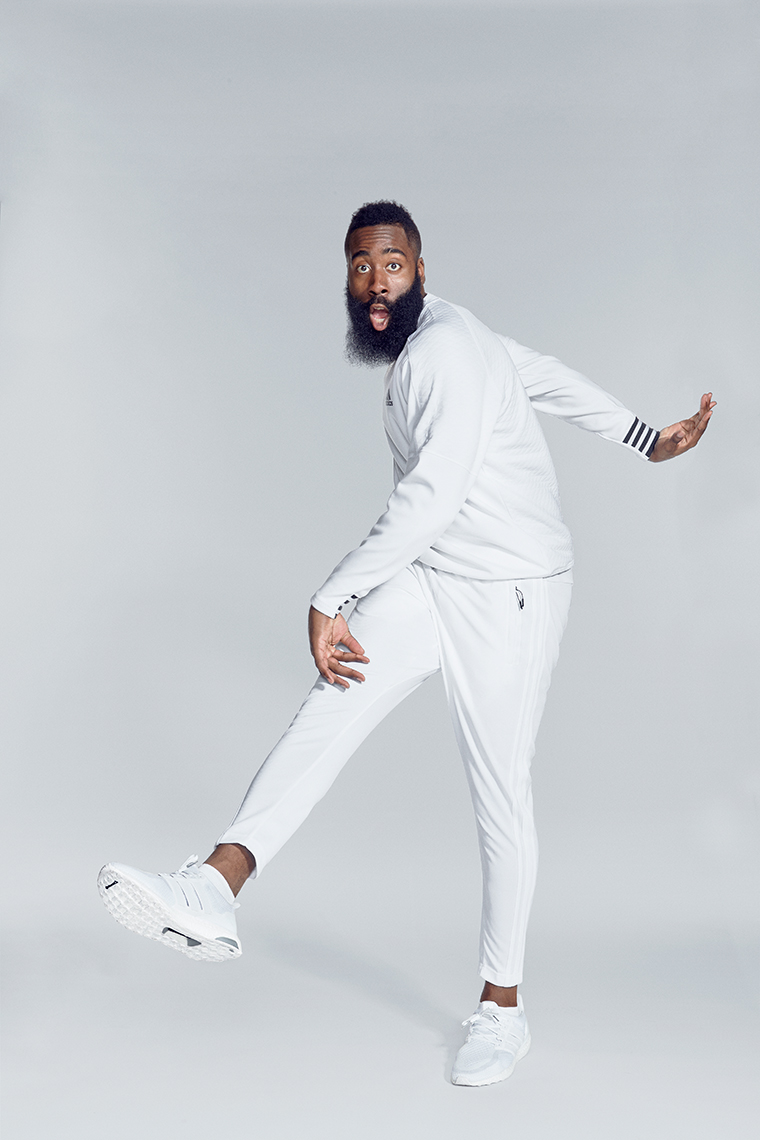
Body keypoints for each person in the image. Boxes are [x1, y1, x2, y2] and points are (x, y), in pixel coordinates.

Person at [98, 200, 715, 1087]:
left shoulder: (443, 355)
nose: (376, 282)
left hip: (510, 593)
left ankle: (502, 1009)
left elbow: (431, 498)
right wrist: (643, 436)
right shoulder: (453, 334)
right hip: (436, 577)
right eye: (361, 266)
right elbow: (538, 375)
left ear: (421, 268)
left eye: (391, 264)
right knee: (331, 705)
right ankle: (216, 886)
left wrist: (332, 596)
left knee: (499, 792)